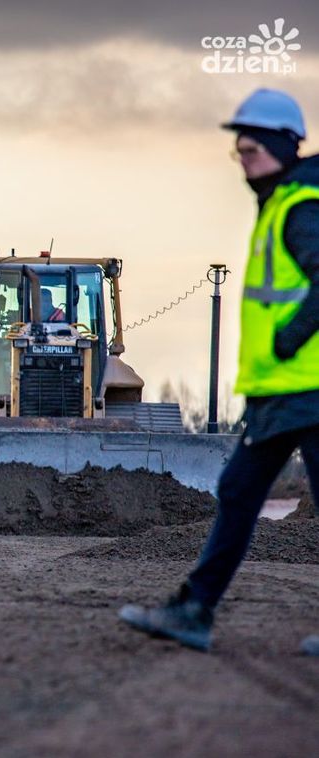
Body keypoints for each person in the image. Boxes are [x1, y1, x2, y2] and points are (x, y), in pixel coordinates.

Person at [120, 88, 319, 655]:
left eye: (251, 149)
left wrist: (287, 339)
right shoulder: (282, 202)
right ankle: (194, 610)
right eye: (238, 151)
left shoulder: (301, 208)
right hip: (280, 393)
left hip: (307, 387)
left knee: (240, 494)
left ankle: (195, 609)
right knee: (236, 493)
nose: (243, 161)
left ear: (282, 146)